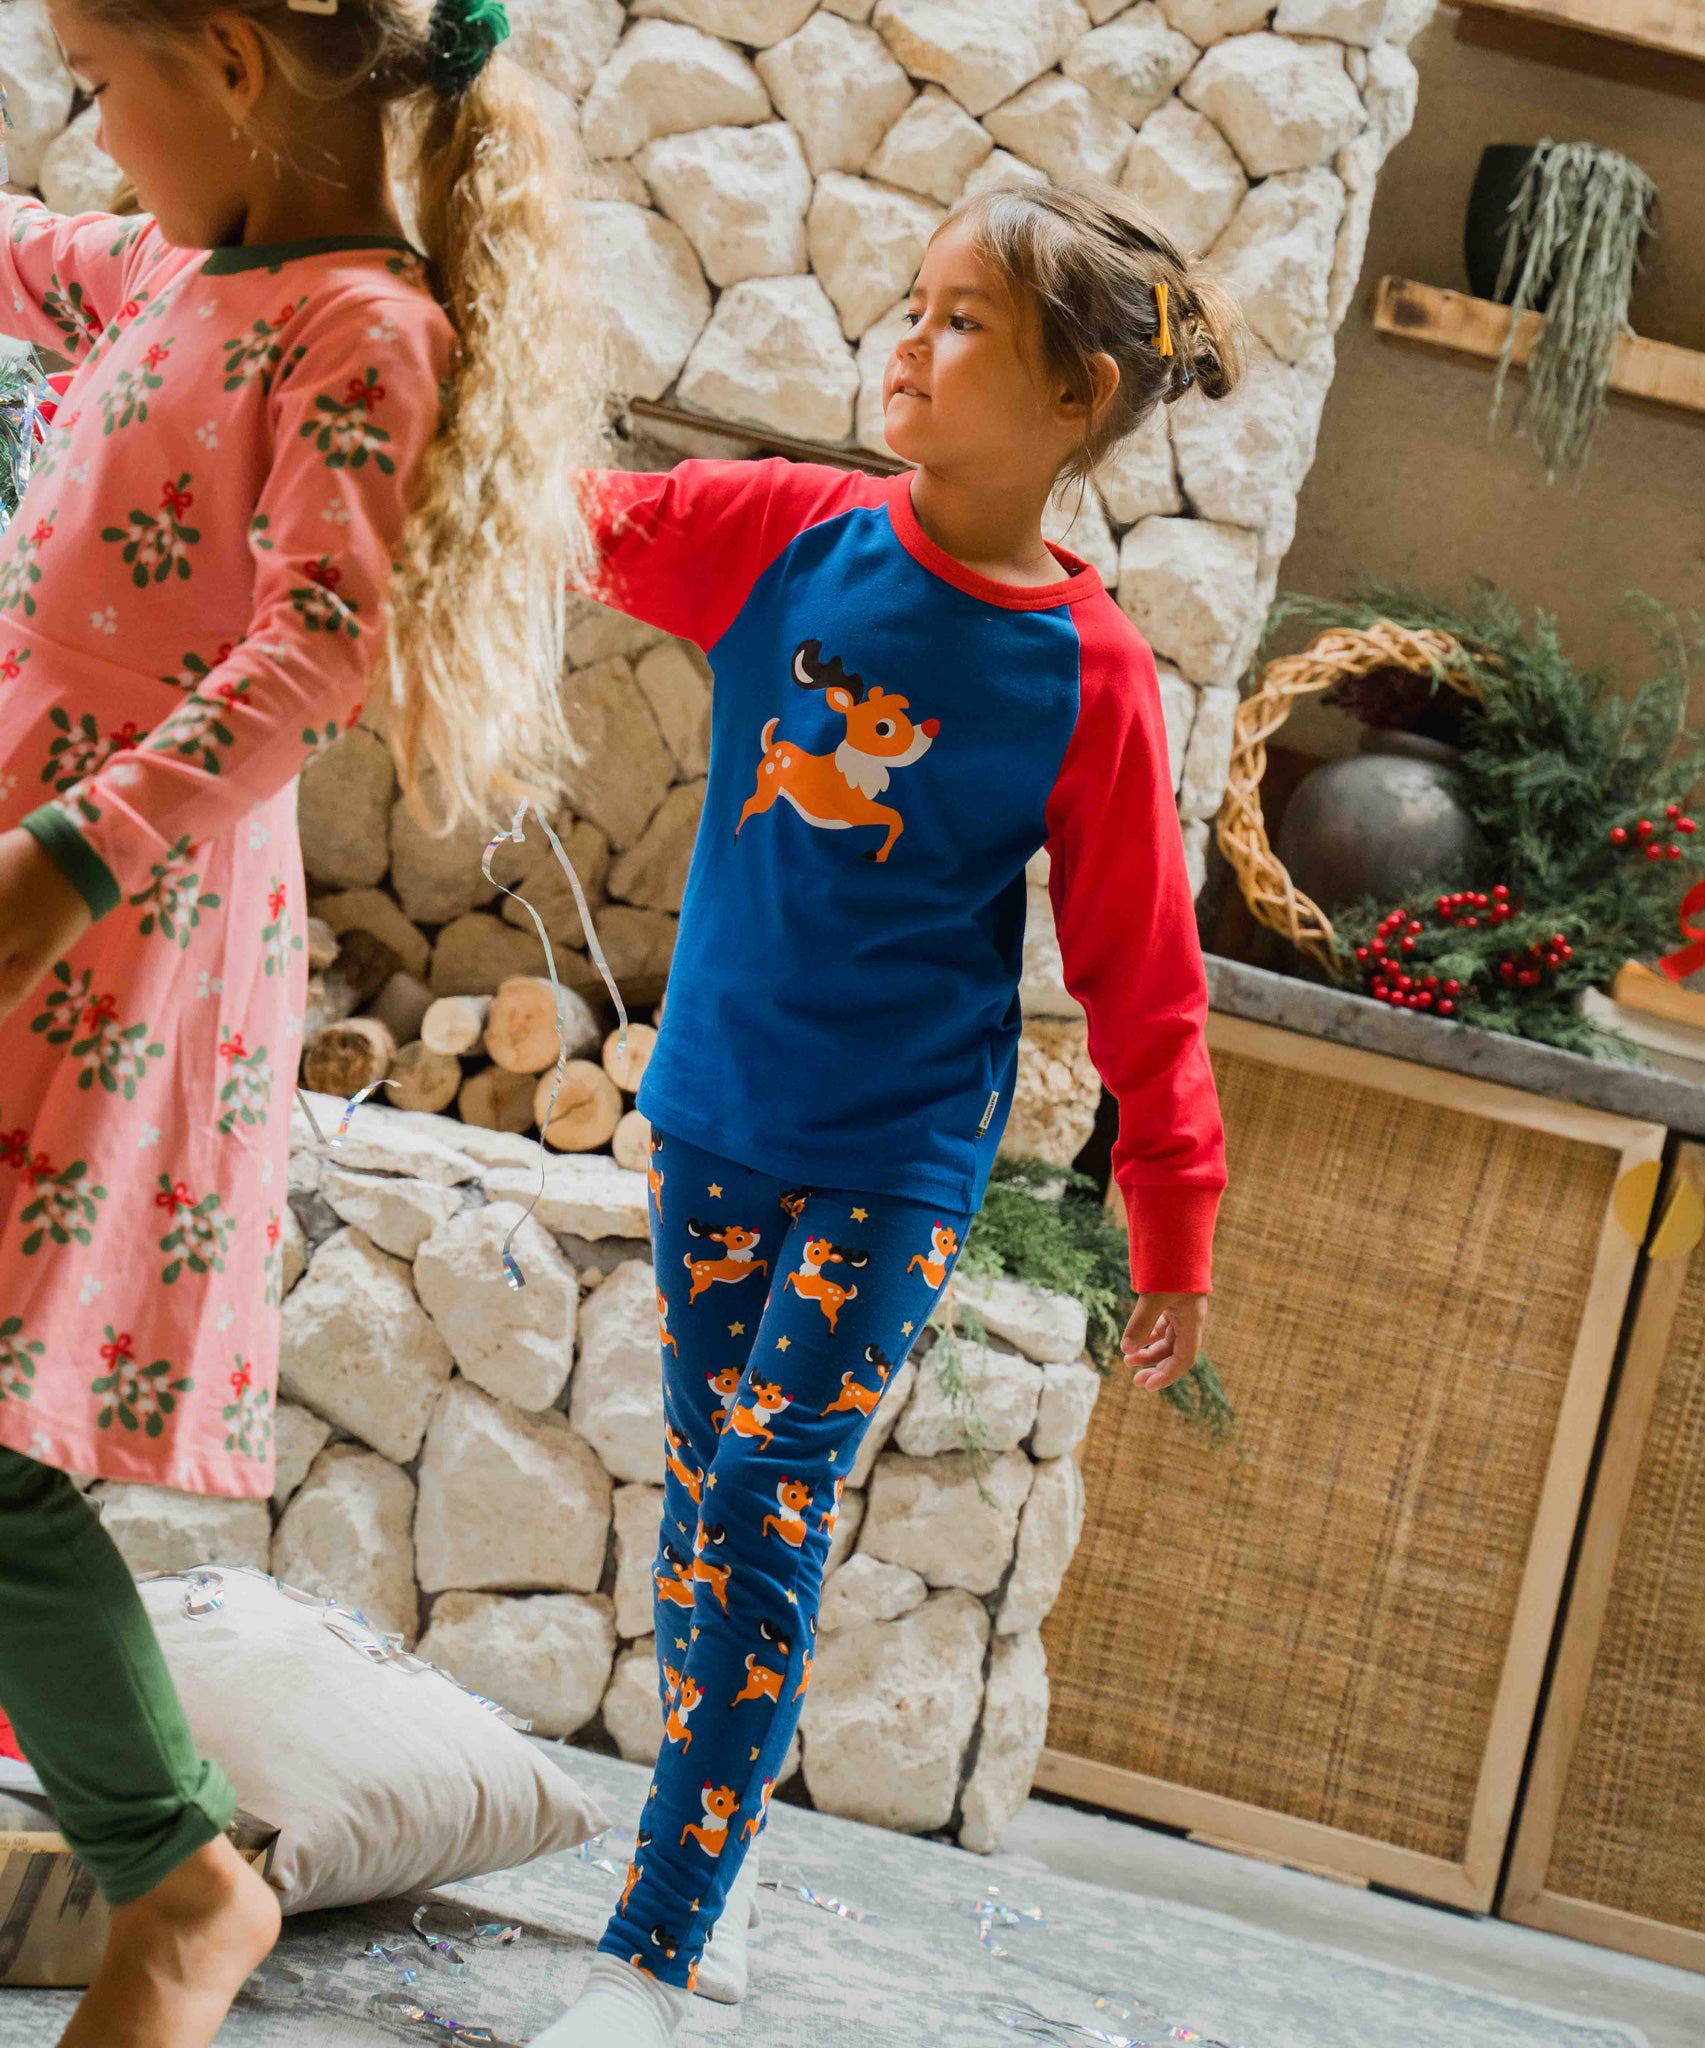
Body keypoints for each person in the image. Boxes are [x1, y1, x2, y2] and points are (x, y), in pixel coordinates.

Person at [535, 182, 1244, 2047]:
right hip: (710, 1116)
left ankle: (657, 1935)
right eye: (908, 308)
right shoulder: (783, 536)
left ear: (1072, 399)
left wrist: (1171, 1214)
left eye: (958, 325)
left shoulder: (1085, 676)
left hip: (895, 1157)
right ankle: (715, 1868)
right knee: (706, 1496)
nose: (903, 344)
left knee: (764, 1500)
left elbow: (1139, 976)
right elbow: (552, 521)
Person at [0, 4, 596, 2044]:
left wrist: (65, 861)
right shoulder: (170, 263)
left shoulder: (361, 325)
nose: (90, 126)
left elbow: (313, 651)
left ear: (233, 63)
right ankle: (170, 1870)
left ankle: (176, 1884)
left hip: (99, 928)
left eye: (101, 80)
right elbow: (15, 248)